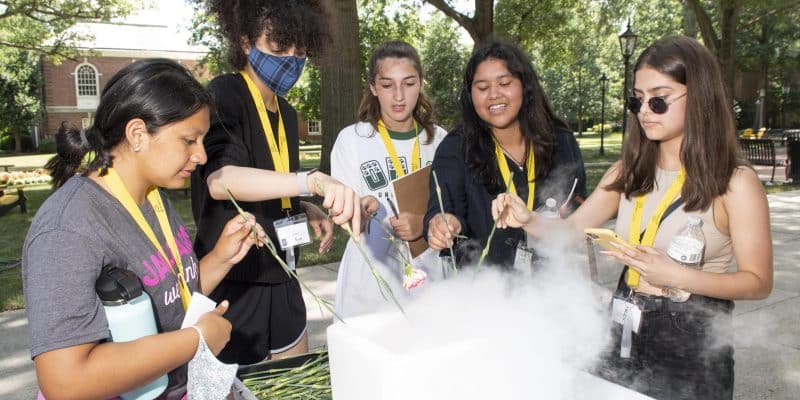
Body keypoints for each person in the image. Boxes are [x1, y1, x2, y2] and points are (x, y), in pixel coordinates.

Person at [492, 36, 773, 400]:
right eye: (636, 100)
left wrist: (678, 276)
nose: (644, 111)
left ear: (700, 96)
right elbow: (571, 231)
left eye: (658, 99)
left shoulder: (735, 183)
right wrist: (528, 219)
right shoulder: (626, 171)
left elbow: (758, 281)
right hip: (623, 325)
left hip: (690, 343)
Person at [24, 59, 262, 399]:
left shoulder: (152, 197)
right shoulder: (67, 230)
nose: (201, 156)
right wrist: (196, 340)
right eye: (189, 140)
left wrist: (221, 258)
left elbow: (167, 297)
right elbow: (64, 381)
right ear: (137, 134)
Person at [192, 0, 362, 364]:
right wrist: (310, 182)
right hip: (236, 283)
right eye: (278, 47)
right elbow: (221, 181)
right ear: (244, 42)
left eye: (299, 51)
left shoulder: (286, 113)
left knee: (293, 380)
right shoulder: (224, 94)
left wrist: (302, 205)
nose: (290, 59)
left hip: (284, 275)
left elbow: (272, 181)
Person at [424, 40, 586, 268]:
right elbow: (442, 208)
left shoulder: (560, 141)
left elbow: (579, 209)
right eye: (482, 88)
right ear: (470, 95)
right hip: (484, 288)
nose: (493, 95)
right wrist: (443, 223)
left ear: (525, 85)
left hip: (554, 284)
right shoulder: (456, 147)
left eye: (504, 83)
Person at [331, 40, 448, 317]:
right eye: (387, 85)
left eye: (408, 84)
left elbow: (455, 208)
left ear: (421, 83)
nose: (398, 96)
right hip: (370, 282)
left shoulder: (441, 140)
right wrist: (360, 208)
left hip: (429, 277)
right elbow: (342, 212)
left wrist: (424, 222)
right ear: (373, 87)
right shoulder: (352, 140)